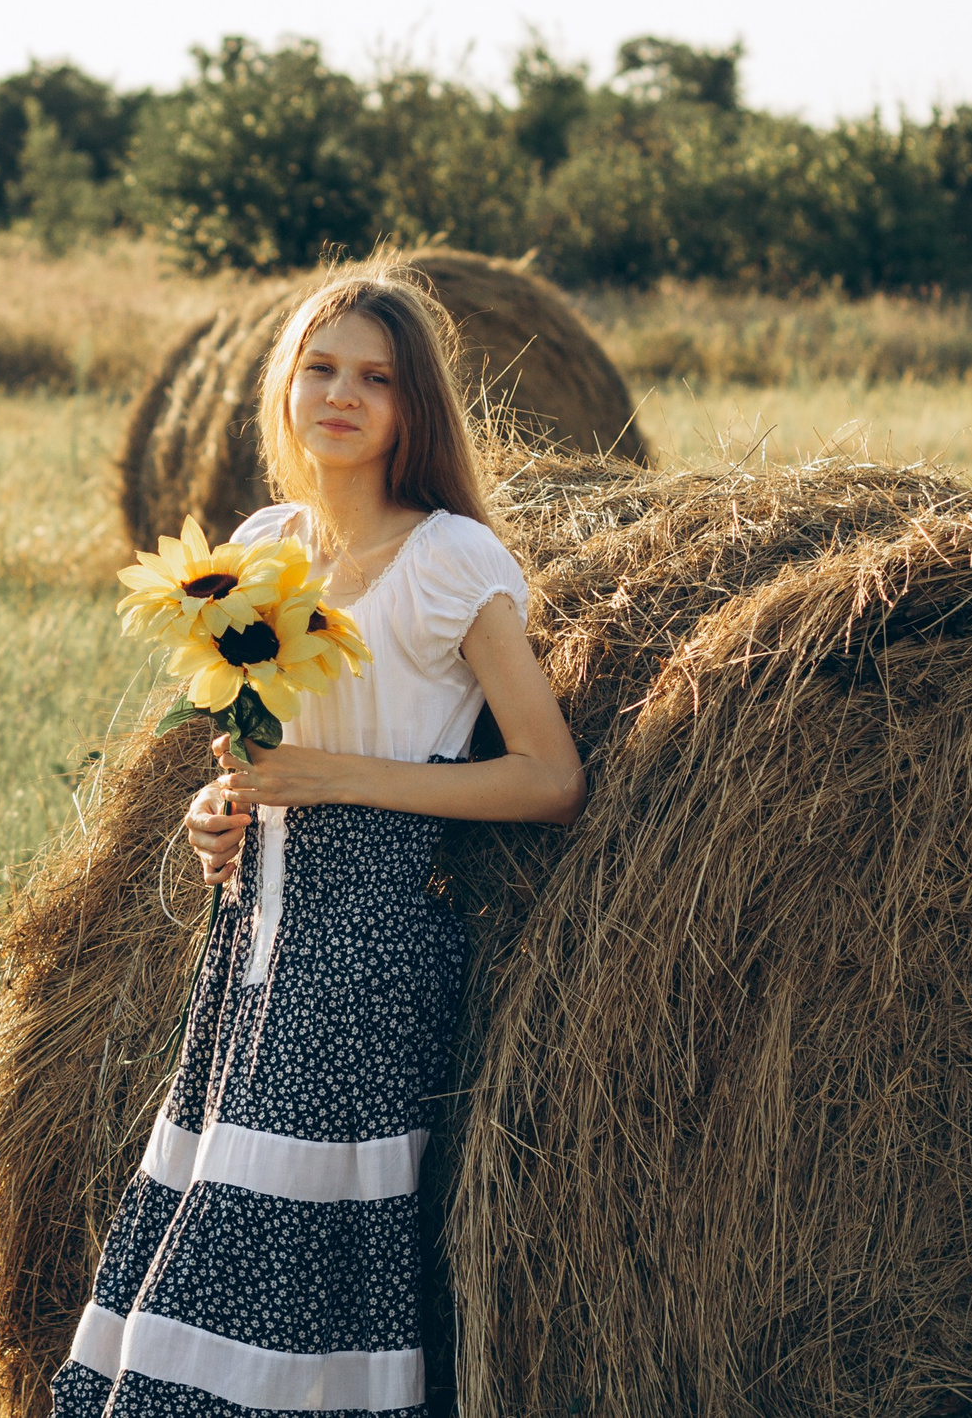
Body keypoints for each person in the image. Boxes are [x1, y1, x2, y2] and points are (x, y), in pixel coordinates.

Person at [52, 258, 585, 1417]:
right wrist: (219, 812)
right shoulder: (260, 545)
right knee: (210, 1240)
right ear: (284, 388)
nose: (341, 395)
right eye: (320, 368)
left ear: (413, 408)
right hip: (249, 946)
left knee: (274, 1273)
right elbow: (254, 748)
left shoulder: (452, 559)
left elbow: (549, 777)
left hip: (368, 949)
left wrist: (330, 779)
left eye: (375, 379)